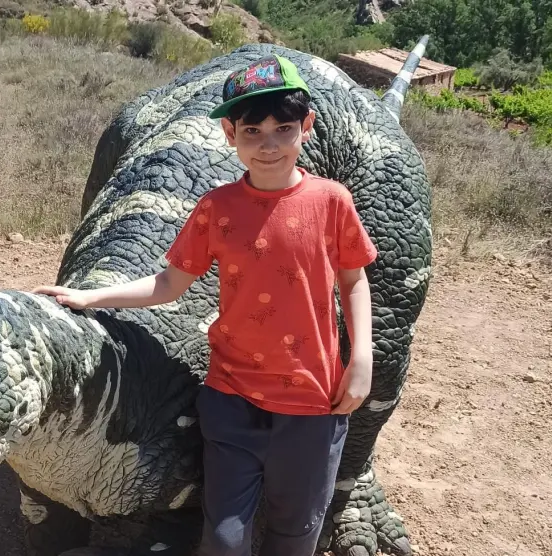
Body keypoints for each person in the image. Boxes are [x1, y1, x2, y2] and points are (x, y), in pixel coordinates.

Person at [32, 55, 377, 556]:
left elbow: (354, 280)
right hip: (231, 397)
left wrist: (361, 356)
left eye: (283, 127)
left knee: (295, 531)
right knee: (223, 537)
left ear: (306, 126)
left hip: (312, 401)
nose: (269, 144)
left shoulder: (331, 201)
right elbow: (169, 283)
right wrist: (89, 297)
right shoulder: (217, 208)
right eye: (253, 130)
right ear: (229, 134)